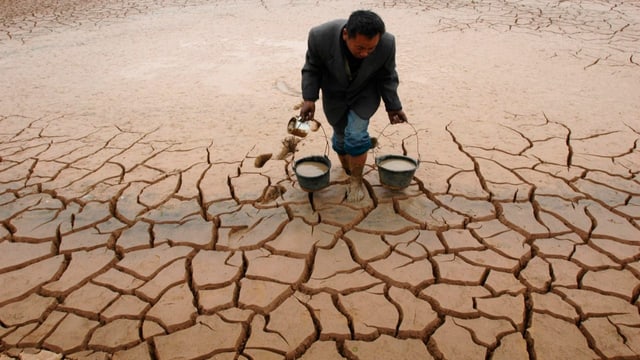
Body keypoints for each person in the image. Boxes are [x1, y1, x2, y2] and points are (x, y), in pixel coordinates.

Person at [299, 10, 408, 202]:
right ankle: (349, 169)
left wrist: (393, 107)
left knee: (356, 136)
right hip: (335, 94)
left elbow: (387, 77)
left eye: (371, 49)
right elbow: (312, 68)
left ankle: (356, 180)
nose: (365, 53)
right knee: (341, 140)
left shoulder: (387, 43)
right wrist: (309, 98)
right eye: (360, 48)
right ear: (345, 34)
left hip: (365, 94)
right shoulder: (319, 37)